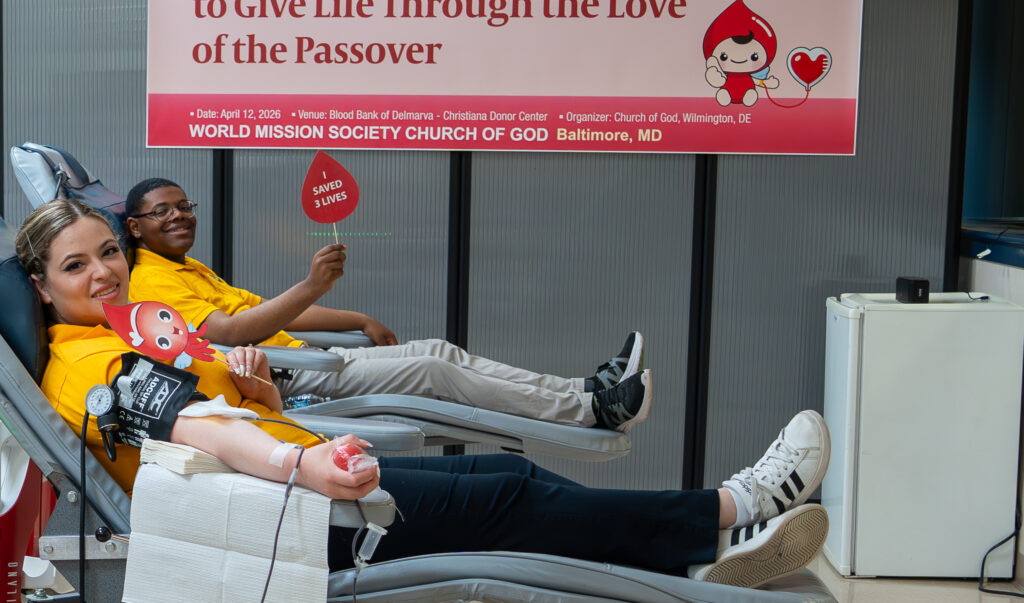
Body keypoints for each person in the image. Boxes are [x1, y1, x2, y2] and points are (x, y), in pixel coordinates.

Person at [18, 199, 831, 588]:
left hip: (285, 479)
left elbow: (214, 405)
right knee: (511, 493)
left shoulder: (128, 325)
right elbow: (197, 432)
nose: (104, 270)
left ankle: (706, 548)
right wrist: (303, 467)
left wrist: (257, 395)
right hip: (285, 516)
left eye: (105, 252)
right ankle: (733, 505)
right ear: (43, 288)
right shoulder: (86, 362)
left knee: (505, 484)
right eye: (76, 266)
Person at [124, 177, 651, 432]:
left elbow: (270, 312)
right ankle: (590, 414)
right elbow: (229, 333)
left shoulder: (186, 268)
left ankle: (586, 389)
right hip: (284, 377)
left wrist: (357, 318)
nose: (178, 217)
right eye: (160, 212)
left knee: (441, 352)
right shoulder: (152, 280)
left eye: (184, 206)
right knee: (431, 372)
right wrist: (312, 285)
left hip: (299, 355)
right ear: (135, 226)